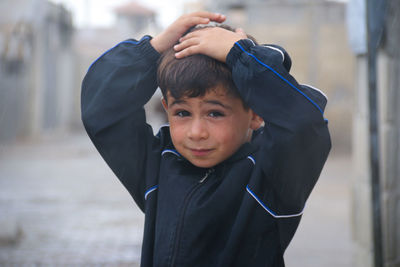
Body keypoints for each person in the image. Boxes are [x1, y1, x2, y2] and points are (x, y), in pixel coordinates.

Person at [81, 11, 331, 267]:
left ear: (255, 114)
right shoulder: (157, 167)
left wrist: (242, 57)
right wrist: (154, 48)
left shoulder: (271, 177)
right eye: (182, 113)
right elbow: (102, 109)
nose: (196, 132)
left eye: (215, 113)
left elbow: (303, 125)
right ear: (167, 109)